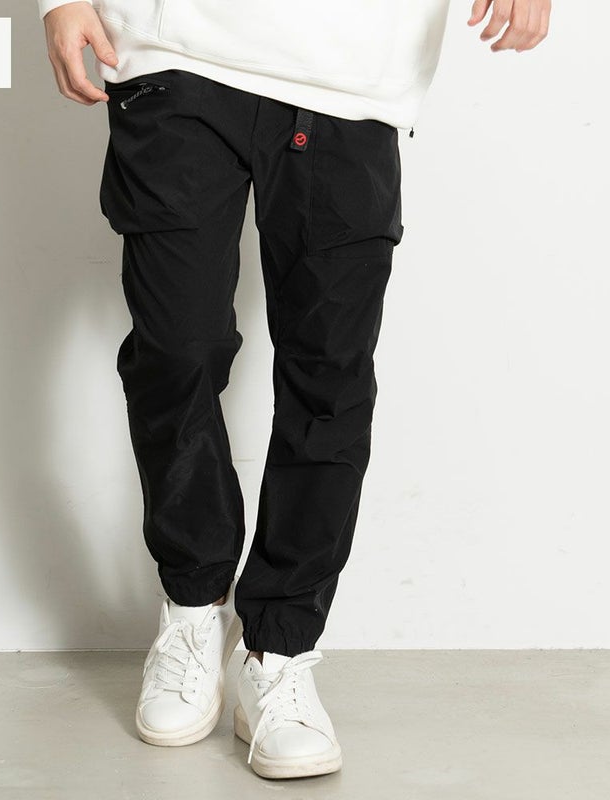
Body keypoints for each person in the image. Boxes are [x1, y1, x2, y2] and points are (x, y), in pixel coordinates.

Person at [37, 0, 552, 780]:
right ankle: (193, 605)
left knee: (329, 376)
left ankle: (278, 653)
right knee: (175, 349)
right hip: (176, 53)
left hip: (350, 75)